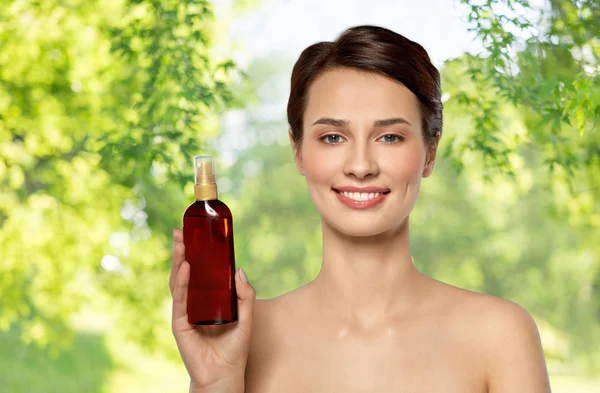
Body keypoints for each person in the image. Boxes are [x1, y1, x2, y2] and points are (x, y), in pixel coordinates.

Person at [169, 25, 552, 393]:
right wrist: (215, 385)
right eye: (333, 137)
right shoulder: (241, 337)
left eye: (390, 137)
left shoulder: (498, 336)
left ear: (430, 152)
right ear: (298, 151)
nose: (361, 165)